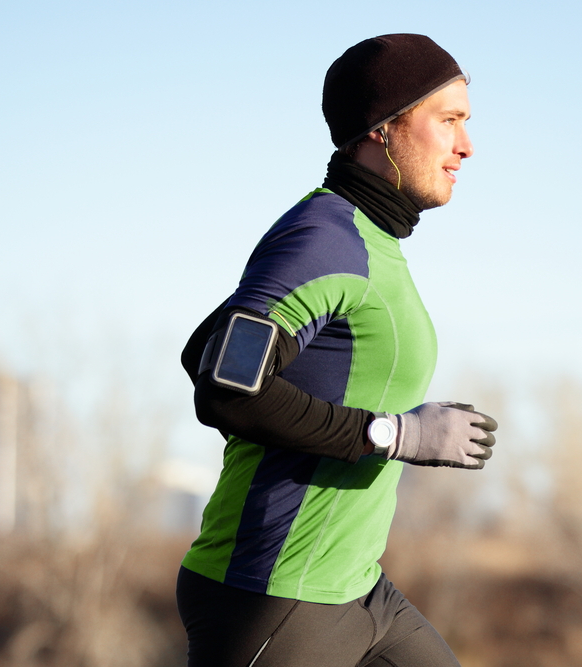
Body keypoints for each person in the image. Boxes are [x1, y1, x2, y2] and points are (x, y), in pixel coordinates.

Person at [177, 34, 498, 667]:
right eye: (448, 120)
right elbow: (224, 387)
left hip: (357, 588)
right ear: (382, 128)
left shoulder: (370, 241)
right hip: (274, 595)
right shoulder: (325, 238)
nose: (467, 145)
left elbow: (204, 348)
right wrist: (395, 434)